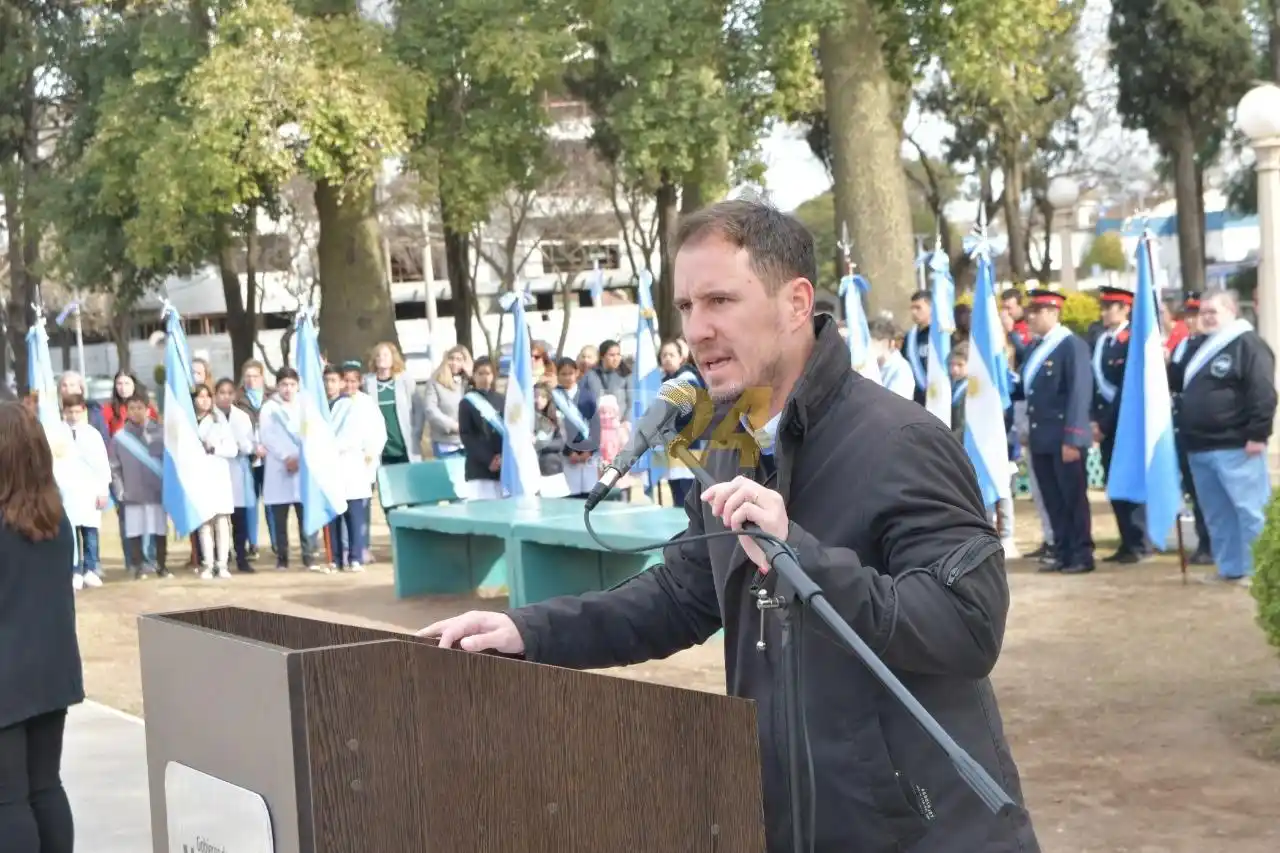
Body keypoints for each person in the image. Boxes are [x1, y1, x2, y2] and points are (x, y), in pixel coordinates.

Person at [421, 200, 1037, 853]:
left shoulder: (902, 440)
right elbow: (683, 595)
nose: (698, 328)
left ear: (796, 303)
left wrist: (801, 556)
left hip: (927, 830)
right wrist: (528, 630)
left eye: (720, 300)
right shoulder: (728, 445)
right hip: (791, 820)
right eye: (686, 307)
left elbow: (968, 627)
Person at [0, 400, 82, 853]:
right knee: (46, 786)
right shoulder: (55, 520)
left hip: (6, 677)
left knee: (8, 800)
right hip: (51, 670)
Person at [1174, 289, 1277, 584]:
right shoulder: (1198, 347)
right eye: (1202, 312)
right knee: (1218, 514)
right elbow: (1178, 382)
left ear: (1232, 311)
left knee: (1251, 511)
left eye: (1212, 311)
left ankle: (1263, 574)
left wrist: (1258, 433)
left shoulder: (1248, 344)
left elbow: (1263, 393)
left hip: (1237, 444)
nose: (1205, 317)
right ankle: (1231, 567)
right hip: (1199, 446)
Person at [1017, 283, 1094, 574]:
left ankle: (1081, 553)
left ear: (1053, 312)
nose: (1030, 317)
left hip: (1064, 436)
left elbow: (1078, 392)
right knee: (1052, 498)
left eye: (1036, 311)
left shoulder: (1071, 345)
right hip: (1041, 437)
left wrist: (1073, 438)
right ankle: (1062, 550)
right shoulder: (1036, 347)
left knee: (1072, 497)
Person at [1090, 285, 1148, 563]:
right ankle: (1126, 540)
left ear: (1125, 309)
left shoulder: (1131, 340)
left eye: (1110, 306)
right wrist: (1093, 420)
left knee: (1130, 483)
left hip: (1124, 425)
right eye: (1103, 306)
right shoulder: (1103, 340)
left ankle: (1139, 542)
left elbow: (1127, 389)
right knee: (1114, 484)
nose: (1104, 312)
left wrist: (1103, 423)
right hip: (1105, 426)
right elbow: (1095, 386)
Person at [259, 367, 325, 573]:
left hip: (302, 467)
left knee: (304, 515)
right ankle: (282, 558)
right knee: (280, 519)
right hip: (279, 468)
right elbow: (268, 436)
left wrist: (299, 457)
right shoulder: (269, 408)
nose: (288, 389)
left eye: (292, 385)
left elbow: (312, 433)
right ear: (277, 386)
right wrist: (286, 457)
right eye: (284, 385)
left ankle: (308, 555)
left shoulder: (305, 407)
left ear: (298, 385)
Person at [1167, 294, 1213, 565]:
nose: (1192, 320)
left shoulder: (1212, 345)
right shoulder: (1184, 344)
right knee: (1194, 490)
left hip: (1203, 427)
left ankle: (1214, 543)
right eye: (1188, 315)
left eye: (1196, 314)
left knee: (1208, 493)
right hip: (1182, 426)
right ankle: (1204, 540)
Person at [328, 361, 387, 572]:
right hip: (337, 465)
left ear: (360, 381)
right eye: (347, 380)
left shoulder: (367, 403)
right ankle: (336, 556)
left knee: (357, 514)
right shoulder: (337, 404)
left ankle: (357, 554)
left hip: (358, 463)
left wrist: (371, 452)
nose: (350, 385)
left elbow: (378, 432)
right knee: (337, 514)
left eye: (354, 381)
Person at [108, 393, 168, 579]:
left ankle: (162, 565)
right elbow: (114, 467)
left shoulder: (160, 432)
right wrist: (120, 491)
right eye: (132, 408)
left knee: (159, 529)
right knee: (135, 531)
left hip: (156, 491)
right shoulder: (120, 437)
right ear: (127, 411)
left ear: (148, 409)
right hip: (132, 492)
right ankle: (137, 565)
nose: (136, 412)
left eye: (140, 408)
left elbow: (167, 462)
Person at [60, 395, 111, 590]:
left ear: (83, 411)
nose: (73, 415)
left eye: (77, 411)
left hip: (89, 491)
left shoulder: (92, 434)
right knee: (70, 534)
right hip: (66, 491)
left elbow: (102, 465)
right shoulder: (56, 434)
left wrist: (103, 490)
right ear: (63, 411)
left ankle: (90, 569)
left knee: (90, 533)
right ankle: (74, 570)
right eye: (69, 411)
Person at [193, 385, 236, 579]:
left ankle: (223, 564)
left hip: (218, 474)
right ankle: (208, 564)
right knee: (204, 523)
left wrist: (214, 448)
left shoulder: (219, 421)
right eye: (199, 397)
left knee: (221, 522)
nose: (204, 400)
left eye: (207, 396)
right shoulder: (188, 421)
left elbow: (233, 449)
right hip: (198, 476)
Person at [214, 378, 256, 573]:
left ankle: (242, 557)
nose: (225, 396)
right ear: (216, 395)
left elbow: (249, 444)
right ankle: (220, 557)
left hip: (238, 469)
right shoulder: (211, 417)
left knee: (240, 519)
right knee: (219, 519)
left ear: (235, 395)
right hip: (218, 470)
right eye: (221, 392)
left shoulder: (242, 417)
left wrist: (239, 446)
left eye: (229, 393)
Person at [365, 341, 425, 465]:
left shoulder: (404, 379)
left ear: (393, 357)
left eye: (385, 355)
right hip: (382, 445)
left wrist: (417, 432)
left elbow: (418, 408)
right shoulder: (367, 382)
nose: (381, 358)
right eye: (378, 355)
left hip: (404, 440)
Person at [457, 356, 505, 501]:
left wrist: (502, 456)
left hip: (502, 466)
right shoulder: (467, 402)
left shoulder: (502, 400)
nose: (484, 378)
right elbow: (467, 436)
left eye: (488, 373)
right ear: (474, 376)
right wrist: (488, 459)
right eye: (480, 373)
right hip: (479, 467)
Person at [549, 357, 598, 498]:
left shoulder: (587, 396)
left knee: (589, 495)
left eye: (570, 373)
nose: (567, 377)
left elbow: (595, 425)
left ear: (577, 373)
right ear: (557, 375)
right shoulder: (554, 397)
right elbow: (555, 429)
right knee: (571, 495)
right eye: (563, 374)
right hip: (567, 455)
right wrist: (570, 452)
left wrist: (589, 451)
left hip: (588, 454)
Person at [424, 345, 471, 459]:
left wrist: (470, 377)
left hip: (469, 443)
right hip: (446, 443)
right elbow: (431, 410)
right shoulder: (436, 382)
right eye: (451, 358)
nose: (454, 362)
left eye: (459, 360)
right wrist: (453, 426)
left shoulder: (469, 383)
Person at [868, 317, 914, 400]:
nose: (870, 347)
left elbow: (896, 404)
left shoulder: (901, 369)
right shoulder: (871, 365)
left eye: (875, 341)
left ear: (890, 343)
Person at [904, 289, 931, 405]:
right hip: (916, 398)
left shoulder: (942, 336)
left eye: (918, 308)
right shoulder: (910, 338)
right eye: (912, 308)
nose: (914, 312)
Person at [948, 340, 969, 441]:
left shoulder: (972, 390)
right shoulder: (950, 385)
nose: (954, 369)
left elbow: (964, 425)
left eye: (960, 365)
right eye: (952, 364)